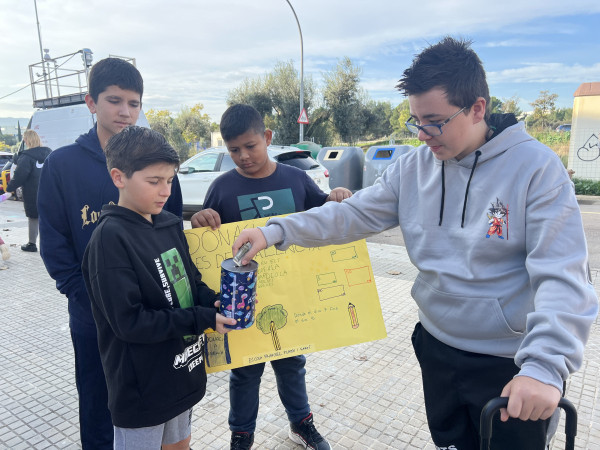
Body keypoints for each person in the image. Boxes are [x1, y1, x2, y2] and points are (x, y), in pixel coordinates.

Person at [231, 38, 599, 450]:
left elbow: (563, 277)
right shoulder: (413, 167)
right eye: (415, 121)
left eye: (434, 120)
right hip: (436, 347)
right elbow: (351, 215)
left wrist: (545, 367)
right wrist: (274, 232)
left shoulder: (537, 169)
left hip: (510, 365)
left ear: (477, 108)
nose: (422, 134)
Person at [38, 57, 183, 449]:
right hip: (93, 318)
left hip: (154, 314)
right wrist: (86, 299)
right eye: (114, 100)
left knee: (163, 402)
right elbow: (53, 243)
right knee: (100, 407)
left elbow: (171, 230)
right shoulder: (62, 165)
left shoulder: (155, 159)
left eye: (134, 103)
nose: (125, 111)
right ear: (91, 102)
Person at [191, 104, 351, 450]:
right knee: (245, 371)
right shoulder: (221, 187)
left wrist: (335, 198)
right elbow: (210, 242)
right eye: (234, 150)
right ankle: (241, 435)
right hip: (244, 301)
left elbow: (324, 215)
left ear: (267, 137)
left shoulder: (296, 179)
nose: (243, 156)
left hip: (293, 295)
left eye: (251, 146)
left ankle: (302, 423)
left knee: (293, 363)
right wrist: (202, 219)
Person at [82, 126, 236, 450]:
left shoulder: (168, 223)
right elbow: (130, 322)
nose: (165, 191)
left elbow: (191, 281)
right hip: (141, 389)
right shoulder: (109, 239)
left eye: (169, 180)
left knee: (181, 446)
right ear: (118, 177)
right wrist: (201, 318)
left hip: (183, 372)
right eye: (154, 181)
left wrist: (218, 302)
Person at [6, 129, 51, 252]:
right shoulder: (49, 153)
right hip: (49, 191)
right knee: (48, 217)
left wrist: (9, 188)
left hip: (32, 192)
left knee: (33, 217)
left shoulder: (26, 157)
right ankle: (50, 244)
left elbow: (20, 175)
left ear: (27, 140)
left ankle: (32, 244)